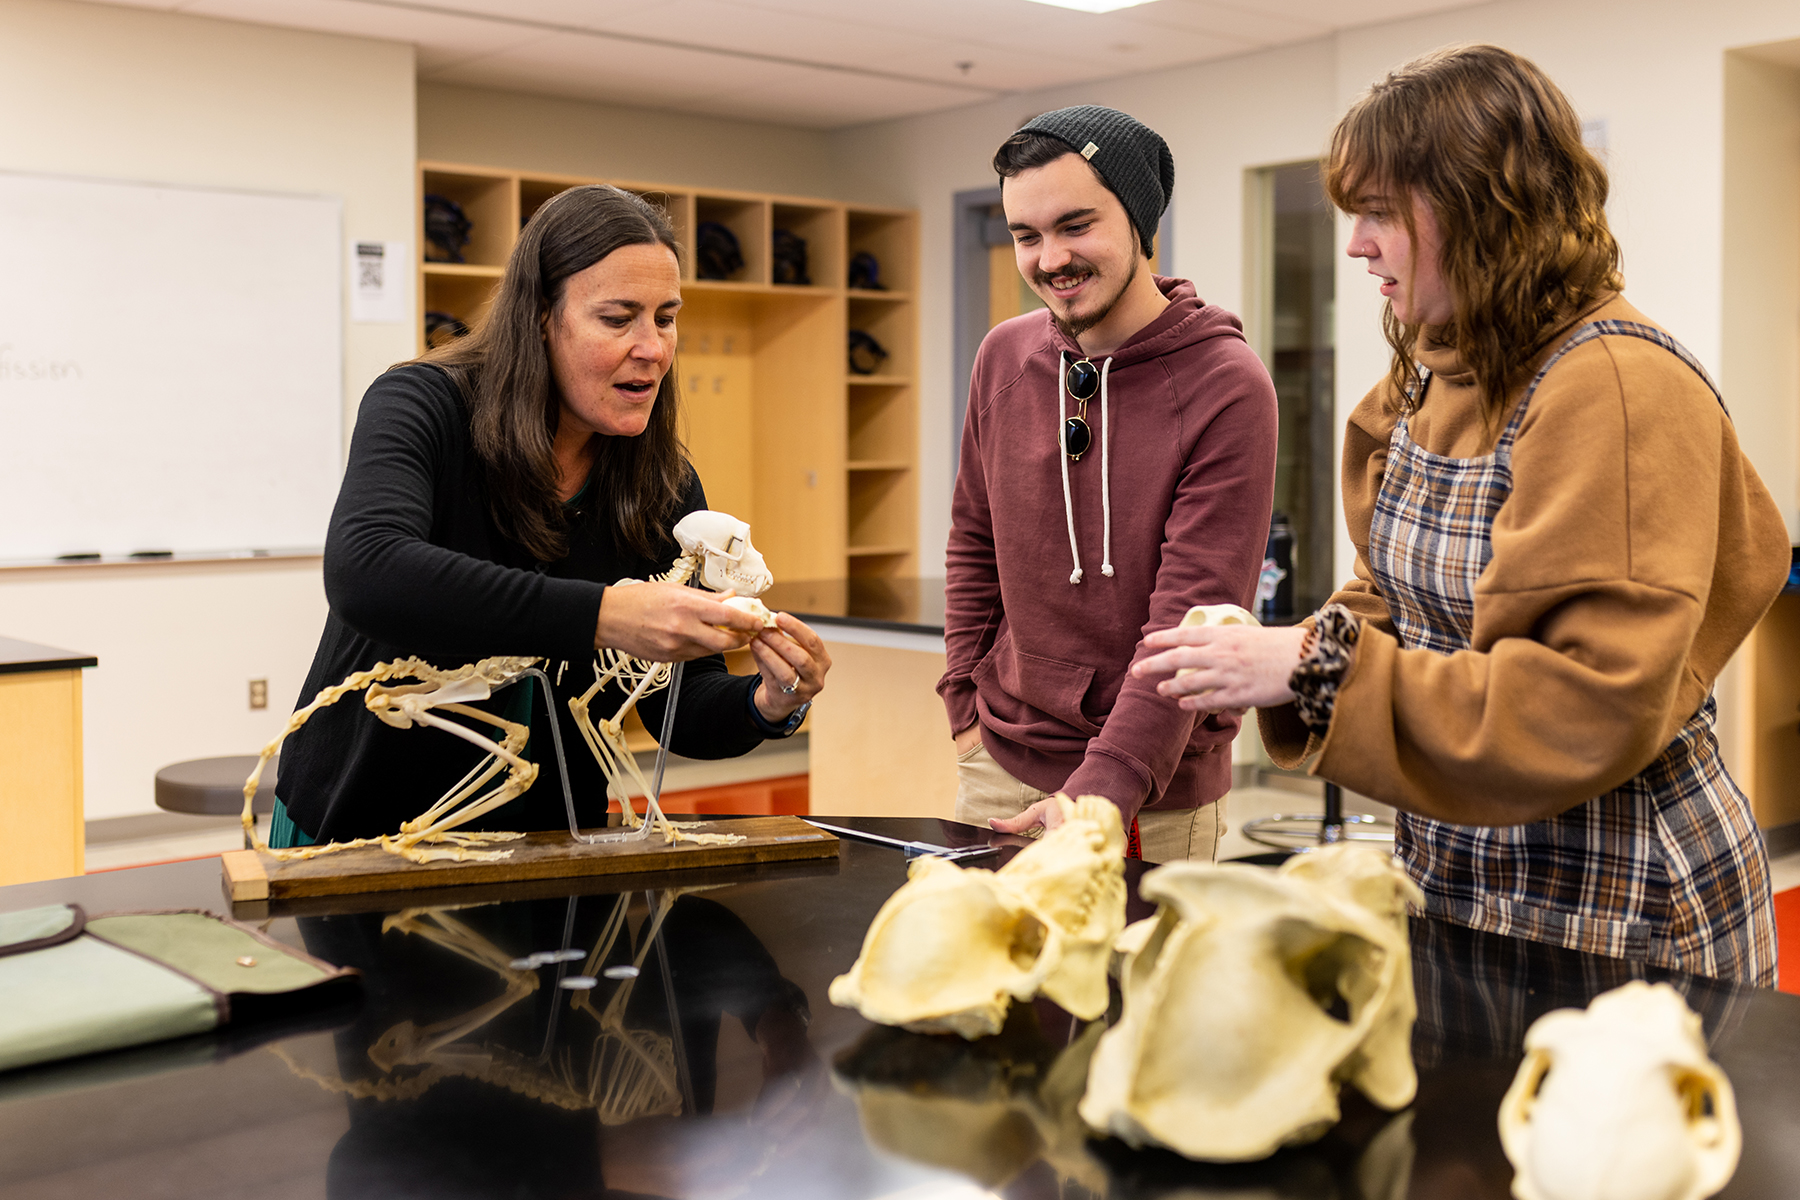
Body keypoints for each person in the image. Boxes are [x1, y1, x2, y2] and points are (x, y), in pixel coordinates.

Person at [1135, 45, 1786, 984]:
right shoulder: (1432, 382)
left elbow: (1584, 706)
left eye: (1378, 213)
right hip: (1460, 869)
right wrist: (1283, 651)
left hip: (1618, 894)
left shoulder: (1619, 386)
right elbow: (1384, 597)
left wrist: (1311, 669)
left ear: (1483, 207)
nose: (1355, 244)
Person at [273, 185, 831, 846]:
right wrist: (605, 615)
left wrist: (770, 703)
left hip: (550, 848)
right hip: (356, 829)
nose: (652, 347)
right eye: (618, 318)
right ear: (541, 317)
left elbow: (676, 709)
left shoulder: (663, 485)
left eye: (666, 317)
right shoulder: (422, 405)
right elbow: (366, 568)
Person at [940, 105, 1279, 863]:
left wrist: (1107, 786)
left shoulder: (1227, 384)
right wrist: (963, 700)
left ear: (1138, 221)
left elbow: (1188, 617)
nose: (1048, 257)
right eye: (1025, 235)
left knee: (1129, 985)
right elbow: (973, 539)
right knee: (984, 984)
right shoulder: (1004, 356)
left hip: (1147, 793)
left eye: (1075, 225)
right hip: (998, 767)